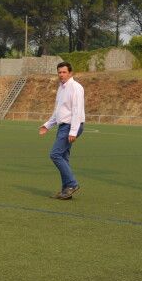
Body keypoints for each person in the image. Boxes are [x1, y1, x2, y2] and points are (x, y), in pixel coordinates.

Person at [38, 61, 85, 199]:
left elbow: (77, 110)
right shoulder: (61, 88)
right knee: (63, 157)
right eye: (59, 72)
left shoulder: (76, 87)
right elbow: (58, 111)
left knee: (55, 154)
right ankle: (66, 190)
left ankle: (72, 184)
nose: (61, 75)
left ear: (71, 73)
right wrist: (47, 125)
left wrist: (73, 131)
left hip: (71, 125)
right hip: (63, 126)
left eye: (64, 72)